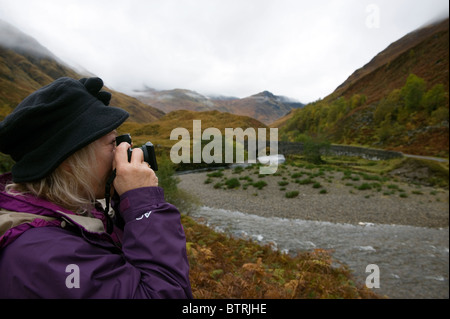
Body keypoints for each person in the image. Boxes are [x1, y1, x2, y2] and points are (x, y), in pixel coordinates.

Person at [0, 77, 192, 298]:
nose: (123, 150)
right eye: (113, 143)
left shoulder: (72, 215)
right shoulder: (44, 256)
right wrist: (144, 205)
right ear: (69, 162)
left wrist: (124, 197)